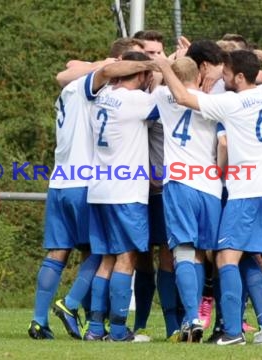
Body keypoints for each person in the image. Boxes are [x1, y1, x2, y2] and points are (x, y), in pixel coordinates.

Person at [155, 49, 262, 345]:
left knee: (225, 257)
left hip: (245, 191)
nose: (221, 77)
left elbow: (184, 98)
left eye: (225, 73)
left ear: (238, 76)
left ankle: (233, 332)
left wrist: (164, 66)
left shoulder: (230, 103)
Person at [28, 37, 145, 341]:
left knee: (59, 251)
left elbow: (67, 70)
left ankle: (39, 320)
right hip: (84, 182)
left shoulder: (69, 90)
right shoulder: (92, 86)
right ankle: (71, 304)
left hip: (60, 180)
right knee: (103, 249)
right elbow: (91, 72)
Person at [79, 52, 158, 342]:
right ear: (140, 75)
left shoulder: (101, 95)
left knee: (106, 259)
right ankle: (120, 328)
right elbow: (171, 103)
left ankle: (96, 328)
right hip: (126, 192)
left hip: (99, 190)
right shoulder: (136, 100)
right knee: (127, 257)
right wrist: (158, 70)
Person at [153, 57, 223, 343]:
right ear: (199, 74)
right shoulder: (213, 101)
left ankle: (191, 317)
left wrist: (164, 65)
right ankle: (225, 322)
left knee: (182, 249)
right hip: (210, 186)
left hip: (179, 183)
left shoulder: (162, 96)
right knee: (206, 255)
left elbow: (159, 82)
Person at [132, 29, 181, 342]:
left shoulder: (171, 92)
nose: (155, 60)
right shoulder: (131, 95)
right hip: (133, 190)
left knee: (167, 256)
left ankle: (173, 326)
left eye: (159, 54)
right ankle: (138, 325)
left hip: (165, 190)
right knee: (138, 257)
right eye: (149, 54)